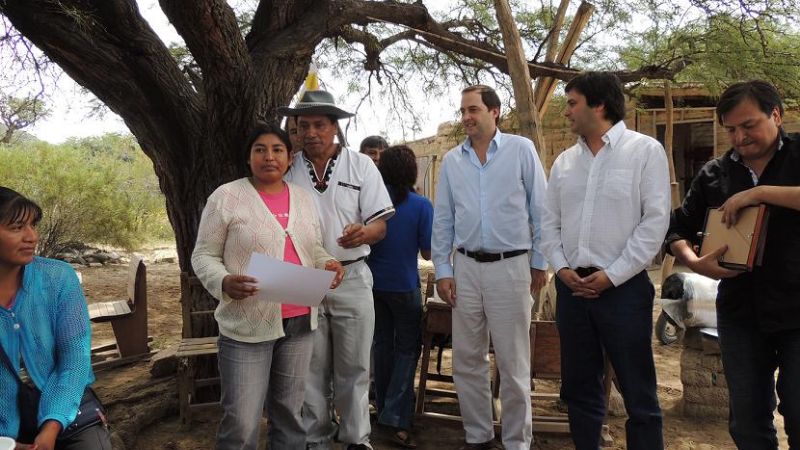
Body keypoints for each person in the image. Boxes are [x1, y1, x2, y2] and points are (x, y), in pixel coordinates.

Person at [191, 123, 344, 450]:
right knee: (241, 422)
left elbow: (312, 247)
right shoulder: (227, 197)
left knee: (289, 414)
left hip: (300, 319)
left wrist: (328, 262)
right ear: (248, 158)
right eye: (259, 149)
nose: (269, 156)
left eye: (277, 150)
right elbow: (204, 255)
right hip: (247, 326)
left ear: (290, 158)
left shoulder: (303, 199)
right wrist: (224, 281)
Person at [666, 80, 800, 449]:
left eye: (748, 125)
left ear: (776, 114)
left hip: (797, 309)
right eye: (731, 129)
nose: (739, 137)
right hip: (742, 313)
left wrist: (758, 193)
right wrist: (695, 261)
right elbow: (677, 227)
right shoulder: (714, 173)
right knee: (747, 419)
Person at [540, 72, 669, 450]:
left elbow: (655, 222)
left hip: (624, 292)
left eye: (572, 103)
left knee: (638, 392)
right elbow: (549, 225)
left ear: (599, 105)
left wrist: (612, 276)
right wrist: (562, 270)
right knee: (579, 390)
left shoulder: (644, 152)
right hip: (572, 292)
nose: (566, 112)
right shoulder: (564, 163)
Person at [431, 84, 547, 450]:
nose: (466, 117)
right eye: (463, 110)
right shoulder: (452, 161)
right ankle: (478, 437)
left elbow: (542, 212)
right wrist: (444, 271)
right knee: (466, 359)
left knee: (513, 363)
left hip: (511, 267)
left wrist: (540, 262)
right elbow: (443, 221)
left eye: (473, 109)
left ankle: (516, 443)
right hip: (465, 268)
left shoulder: (520, 150)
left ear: (494, 112)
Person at [279, 90, 395, 450]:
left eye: (318, 124)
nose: (310, 132)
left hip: (353, 274)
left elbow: (381, 226)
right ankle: (317, 439)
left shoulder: (361, 165)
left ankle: (357, 438)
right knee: (309, 368)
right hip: (300, 278)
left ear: (334, 127)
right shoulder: (288, 168)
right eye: (303, 126)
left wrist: (365, 232)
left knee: (355, 365)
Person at [0, 187, 112, 450]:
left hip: (68, 409)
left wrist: (51, 427)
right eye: (17, 227)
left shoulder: (58, 278)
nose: (32, 237)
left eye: (32, 225)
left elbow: (75, 360)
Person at [367, 145, 433, 449]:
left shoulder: (370, 203)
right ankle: (396, 417)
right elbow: (427, 252)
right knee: (407, 350)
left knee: (382, 346)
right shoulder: (421, 205)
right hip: (405, 285)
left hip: (373, 285)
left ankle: (383, 409)